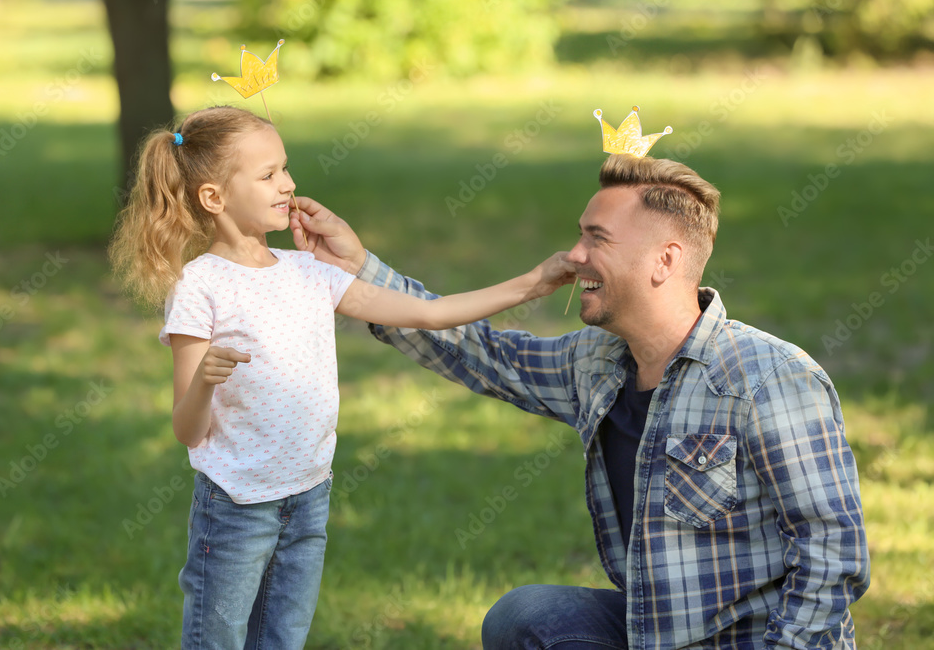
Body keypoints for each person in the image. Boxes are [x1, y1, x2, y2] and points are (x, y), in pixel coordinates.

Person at [288, 154, 870, 649]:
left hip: (754, 639)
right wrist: (358, 270)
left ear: (664, 261)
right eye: (581, 234)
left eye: (598, 239)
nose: (576, 255)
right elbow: (481, 353)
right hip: (657, 632)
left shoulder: (769, 380)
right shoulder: (596, 363)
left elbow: (833, 553)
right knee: (526, 618)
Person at [107, 105, 571, 650]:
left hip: (308, 496)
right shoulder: (199, 286)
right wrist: (205, 381)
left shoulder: (310, 271)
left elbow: (429, 313)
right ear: (214, 198)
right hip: (235, 506)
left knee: (282, 639)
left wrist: (533, 283)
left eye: (286, 168)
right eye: (269, 174)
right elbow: (188, 431)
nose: (289, 183)